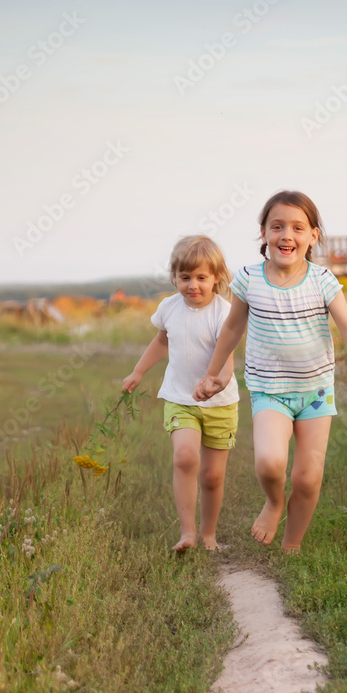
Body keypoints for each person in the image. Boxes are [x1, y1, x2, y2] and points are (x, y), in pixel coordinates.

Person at [193, 191, 347, 552]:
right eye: (277, 226)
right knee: (271, 463)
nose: (287, 235)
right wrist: (214, 374)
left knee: (307, 477)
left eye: (297, 227)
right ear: (263, 233)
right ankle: (273, 503)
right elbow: (231, 330)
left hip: (315, 392)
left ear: (313, 236)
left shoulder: (323, 281)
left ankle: (292, 546)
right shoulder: (249, 279)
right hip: (269, 389)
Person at [122, 236, 239, 552]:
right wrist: (138, 371)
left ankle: (208, 534)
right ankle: (187, 533)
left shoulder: (224, 313)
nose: (193, 285)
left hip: (220, 404)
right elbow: (162, 341)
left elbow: (227, 364)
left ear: (216, 277)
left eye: (202, 278)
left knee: (212, 476)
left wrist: (217, 383)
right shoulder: (169, 307)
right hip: (179, 399)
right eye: (185, 277)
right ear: (174, 276)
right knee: (185, 457)